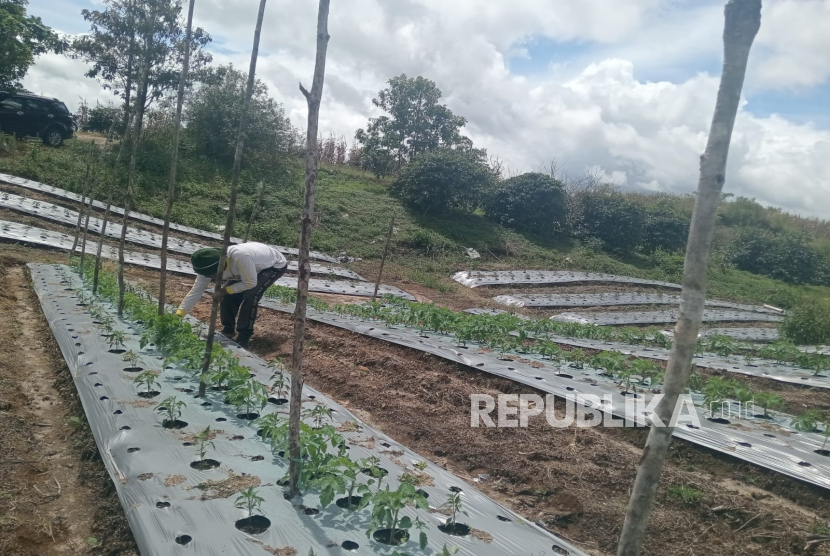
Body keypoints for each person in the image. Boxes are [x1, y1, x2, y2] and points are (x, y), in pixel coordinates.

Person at [176, 243, 288, 348]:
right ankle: (228, 330)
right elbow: (196, 291)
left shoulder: (239, 257)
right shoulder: (205, 269)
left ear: (221, 266)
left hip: (272, 265)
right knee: (229, 296)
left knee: (251, 296)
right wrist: (179, 315)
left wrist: (224, 290)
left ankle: (243, 337)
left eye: (213, 275)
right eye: (208, 275)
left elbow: (250, 283)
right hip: (248, 267)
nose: (212, 278)